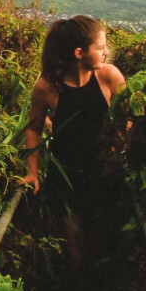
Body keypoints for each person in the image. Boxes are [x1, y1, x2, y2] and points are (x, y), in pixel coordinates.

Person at [21, 15, 125, 264]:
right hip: (66, 176)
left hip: (104, 172)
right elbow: (33, 129)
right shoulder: (48, 87)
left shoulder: (109, 77)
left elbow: (129, 117)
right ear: (80, 52)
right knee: (75, 247)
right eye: (100, 48)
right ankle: (78, 289)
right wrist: (32, 173)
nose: (106, 52)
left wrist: (121, 145)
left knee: (102, 242)